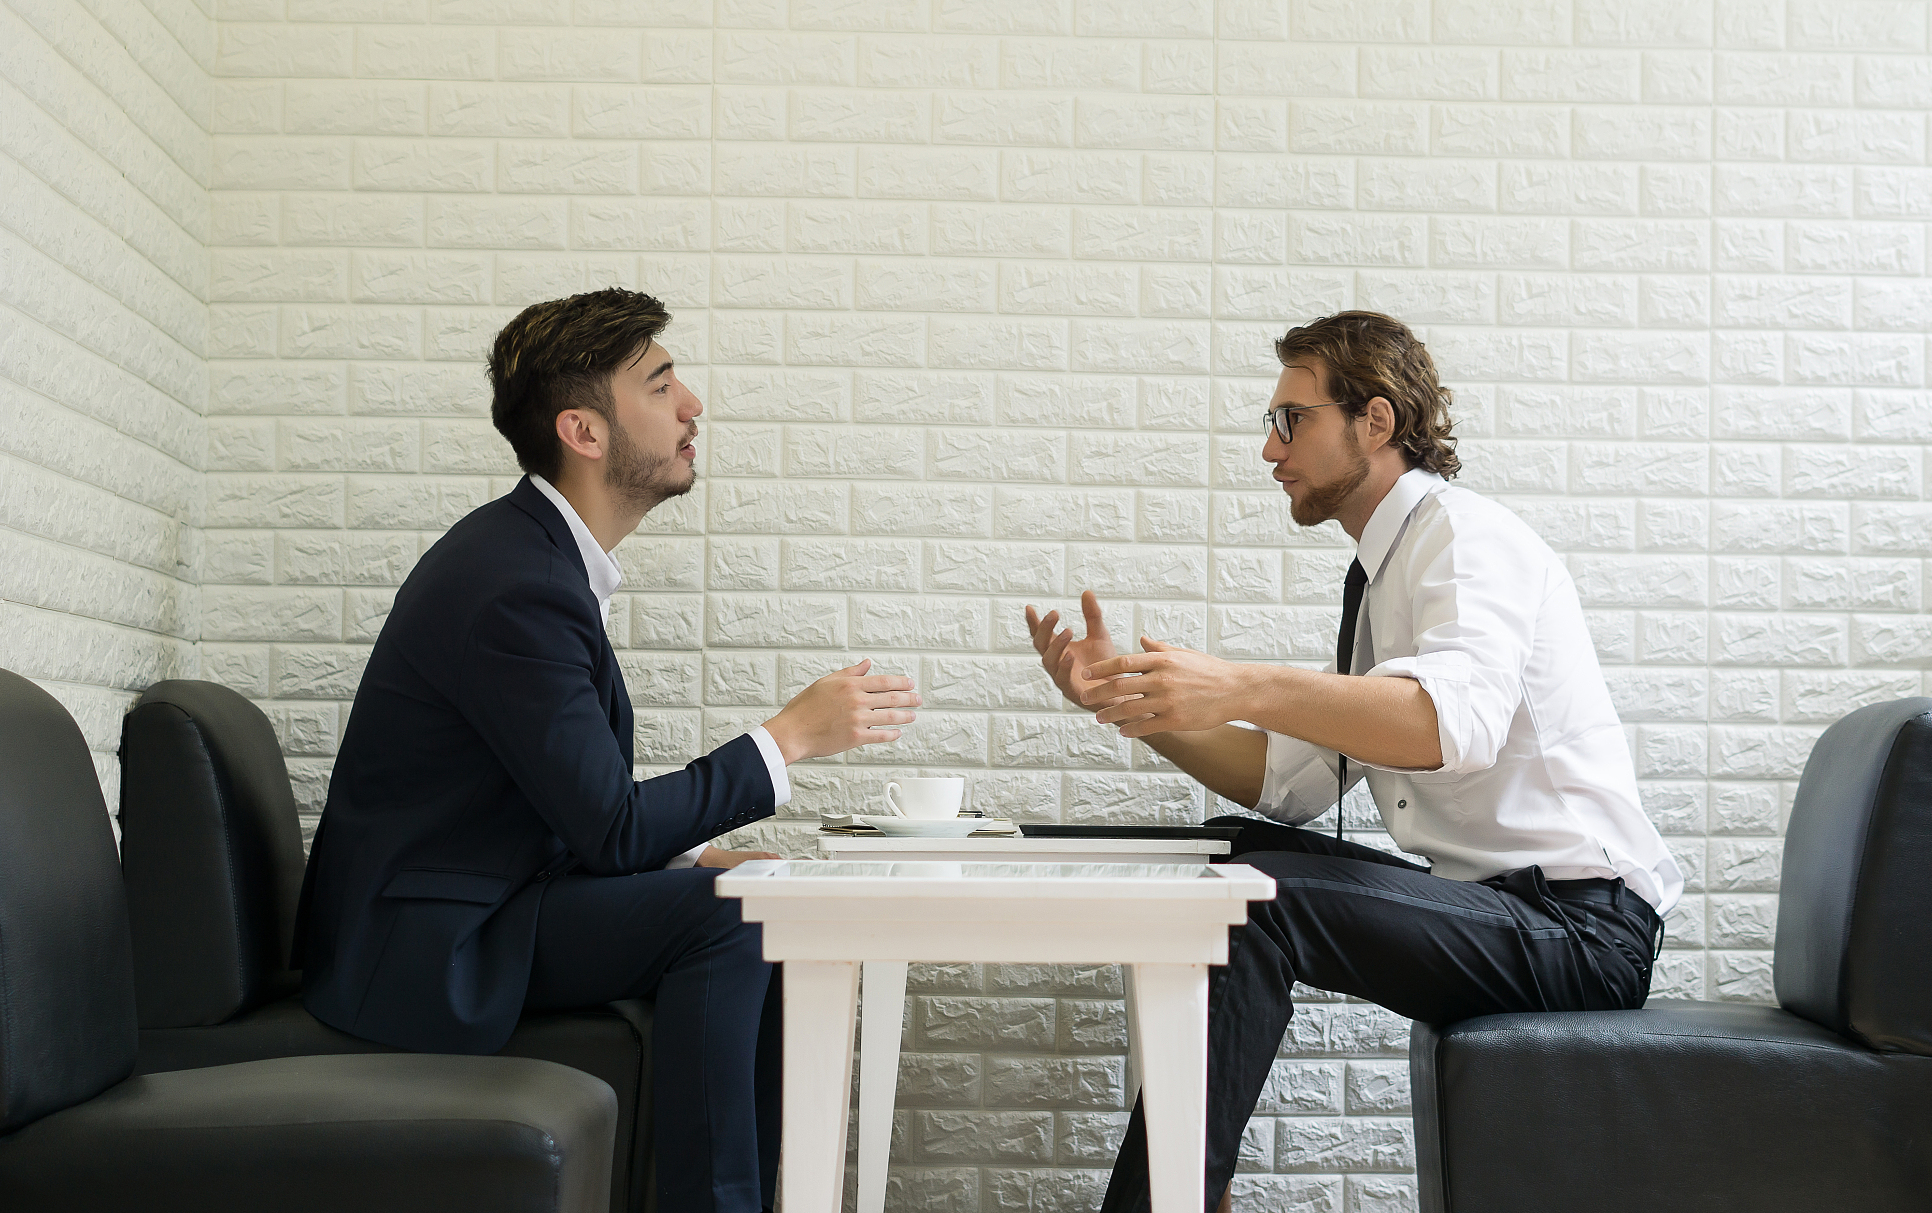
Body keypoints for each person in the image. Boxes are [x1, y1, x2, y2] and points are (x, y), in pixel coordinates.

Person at [1024, 310, 1680, 1213]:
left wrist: (1243, 682)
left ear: (1375, 422)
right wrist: (1140, 705)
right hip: (1512, 910)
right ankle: (1182, 1189)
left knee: (1253, 901)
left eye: (1292, 419)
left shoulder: (1463, 537)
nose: (1269, 448)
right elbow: (1292, 785)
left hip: (1583, 935)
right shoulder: (1385, 573)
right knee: (1232, 850)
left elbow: (1453, 724)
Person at [293, 288, 920, 1213]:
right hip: (428, 944)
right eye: (662, 383)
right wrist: (788, 738)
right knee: (735, 914)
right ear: (584, 431)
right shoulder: (518, 582)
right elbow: (611, 825)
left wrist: (693, 850)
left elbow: (577, 806)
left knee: (750, 896)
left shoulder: (532, 560)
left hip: (490, 896)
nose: (692, 404)